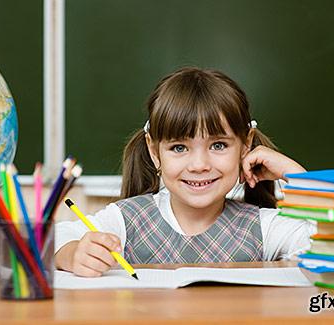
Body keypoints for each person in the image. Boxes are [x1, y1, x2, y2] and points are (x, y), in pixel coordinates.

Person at [55, 67, 314, 277]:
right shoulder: (127, 220)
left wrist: (298, 177)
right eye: (179, 147)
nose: (199, 164)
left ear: (245, 145)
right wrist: (73, 253)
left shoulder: (261, 227)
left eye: (218, 145)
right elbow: (54, 238)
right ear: (155, 151)